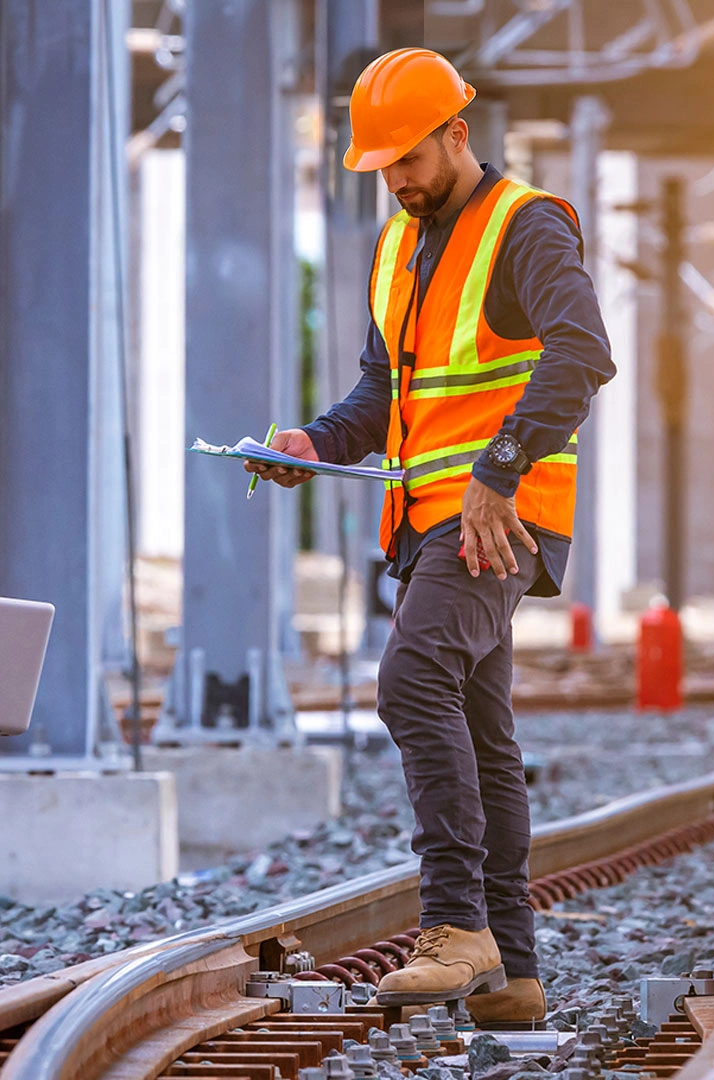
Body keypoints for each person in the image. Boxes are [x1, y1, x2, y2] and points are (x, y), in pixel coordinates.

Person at [246, 49, 613, 1021]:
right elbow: (384, 393)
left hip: (496, 519)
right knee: (483, 731)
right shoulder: (396, 245)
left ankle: (455, 926)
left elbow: (585, 352)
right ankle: (514, 972)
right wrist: (312, 444)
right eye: (383, 167)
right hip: (422, 525)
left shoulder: (524, 225)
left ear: (460, 131)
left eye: (409, 158)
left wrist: (500, 470)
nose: (399, 180)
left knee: (409, 681)